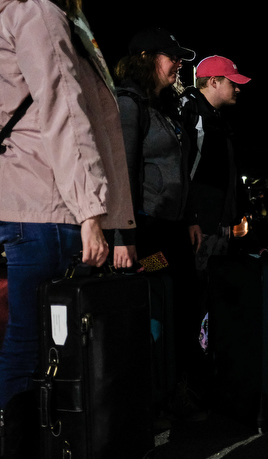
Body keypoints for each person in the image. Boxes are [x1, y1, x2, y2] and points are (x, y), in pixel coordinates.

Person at [0, 0, 136, 455]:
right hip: (49, 205)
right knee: (40, 348)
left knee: (26, 342)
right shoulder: (38, 11)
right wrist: (90, 213)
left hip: (20, 202)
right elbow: (64, 112)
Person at [115, 27, 204, 421]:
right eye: (172, 57)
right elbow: (123, 175)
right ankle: (150, 396)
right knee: (156, 304)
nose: (179, 64)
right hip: (148, 235)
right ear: (148, 58)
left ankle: (179, 388)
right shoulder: (129, 104)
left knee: (185, 309)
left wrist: (189, 219)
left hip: (173, 230)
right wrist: (124, 238)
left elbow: (178, 170)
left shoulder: (164, 106)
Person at [180, 55, 251, 278]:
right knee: (192, 288)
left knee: (213, 291)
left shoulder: (218, 120)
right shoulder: (189, 114)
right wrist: (190, 218)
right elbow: (181, 171)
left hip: (216, 225)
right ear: (213, 82)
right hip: (196, 227)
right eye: (232, 83)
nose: (238, 89)